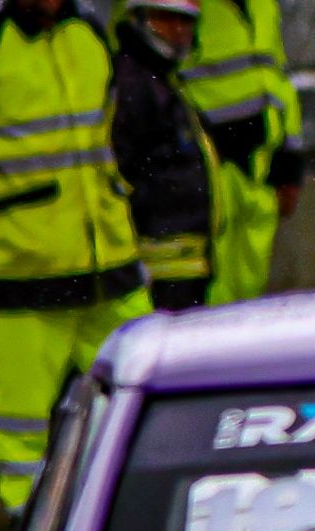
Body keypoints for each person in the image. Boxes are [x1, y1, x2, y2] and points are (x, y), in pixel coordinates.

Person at [0, 0, 150, 507]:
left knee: (137, 390)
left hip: (107, 265)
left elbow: (110, 130)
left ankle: (128, 507)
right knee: (22, 422)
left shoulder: (89, 35)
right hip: (24, 274)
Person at [178, 0, 299, 304]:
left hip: (261, 166)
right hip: (209, 167)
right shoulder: (187, 7)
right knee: (210, 284)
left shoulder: (262, 5)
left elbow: (278, 81)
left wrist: (290, 161)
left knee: (249, 283)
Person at [112, 0, 216, 310]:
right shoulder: (133, 84)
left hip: (183, 259)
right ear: (139, 19)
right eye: (166, 20)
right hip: (159, 264)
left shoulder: (161, 81)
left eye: (186, 22)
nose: (178, 31)